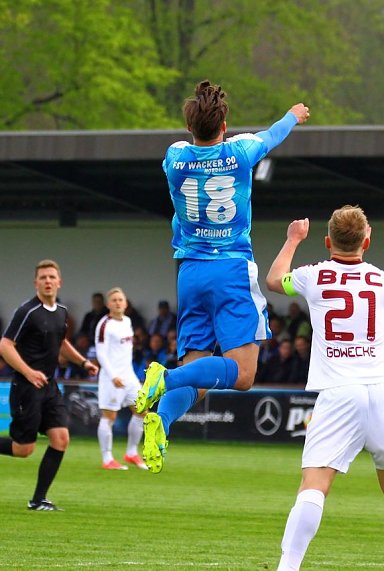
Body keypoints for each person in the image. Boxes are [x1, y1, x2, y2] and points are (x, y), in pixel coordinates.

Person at [134, 80, 310, 473]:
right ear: (225, 122)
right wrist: (293, 115)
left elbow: (194, 148)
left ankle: (159, 424)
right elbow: (272, 135)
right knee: (244, 375)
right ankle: (164, 378)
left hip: (190, 272)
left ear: (189, 126)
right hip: (230, 269)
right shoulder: (240, 153)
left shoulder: (175, 157)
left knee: (198, 375)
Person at [264, 206, 384, 571]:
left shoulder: (314, 277)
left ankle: (287, 568)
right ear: (367, 241)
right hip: (383, 389)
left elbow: (275, 279)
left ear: (327, 241)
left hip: (340, 390)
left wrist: (293, 239)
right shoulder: (382, 280)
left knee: (314, 485)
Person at [0, 260, 99, 510]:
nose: (47, 281)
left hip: (49, 386)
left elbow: (62, 343)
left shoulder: (62, 312)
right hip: (26, 388)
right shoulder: (27, 312)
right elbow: (5, 345)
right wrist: (28, 372)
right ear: (36, 283)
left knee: (61, 438)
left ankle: (38, 500)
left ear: (59, 282)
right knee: (24, 449)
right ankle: (37, 500)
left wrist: (83, 362)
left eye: (51, 277)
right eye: (42, 277)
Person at [94, 287, 148, 470]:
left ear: (125, 303)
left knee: (142, 410)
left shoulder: (127, 321)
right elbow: (101, 354)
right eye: (114, 300)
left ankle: (131, 453)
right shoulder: (104, 325)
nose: (118, 302)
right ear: (109, 304)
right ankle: (107, 458)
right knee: (109, 417)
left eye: (121, 299)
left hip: (129, 376)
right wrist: (113, 375)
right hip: (111, 378)